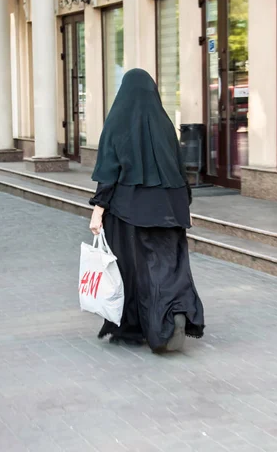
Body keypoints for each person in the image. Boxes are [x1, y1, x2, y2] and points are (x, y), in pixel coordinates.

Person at [89, 69, 205, 353]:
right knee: (167, 267)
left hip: (128, 211)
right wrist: (185, 205)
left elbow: (109, 171)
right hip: (169, 209)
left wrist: (98, 210)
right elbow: (179, 168)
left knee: (132, 271)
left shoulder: (117, 122)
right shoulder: (164, 124)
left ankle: (134, 328)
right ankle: (173, 313)